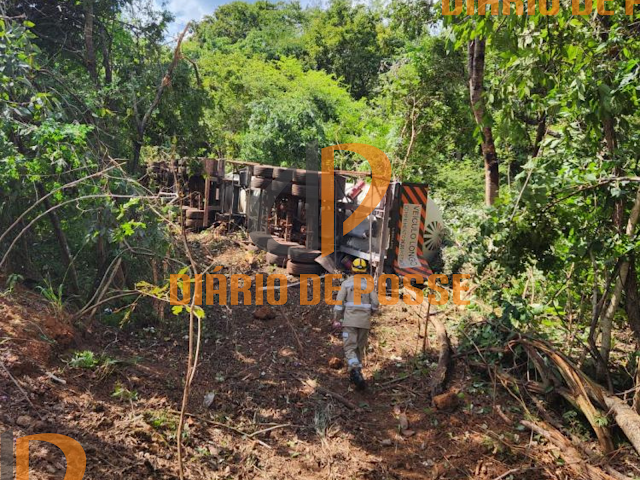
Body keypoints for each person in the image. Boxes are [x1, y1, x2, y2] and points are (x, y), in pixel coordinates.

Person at [332, 258, 379, 390]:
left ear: (352, 269)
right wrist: (370, 313)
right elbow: (375, 304)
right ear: (365, 270)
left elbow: (339, 304)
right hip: (364, 322)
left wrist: (336, 319)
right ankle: (356, 375)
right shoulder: (369, 285)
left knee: (349, 348)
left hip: (350, 322)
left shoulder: (347, 283)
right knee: (359, 348)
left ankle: (355, 371)